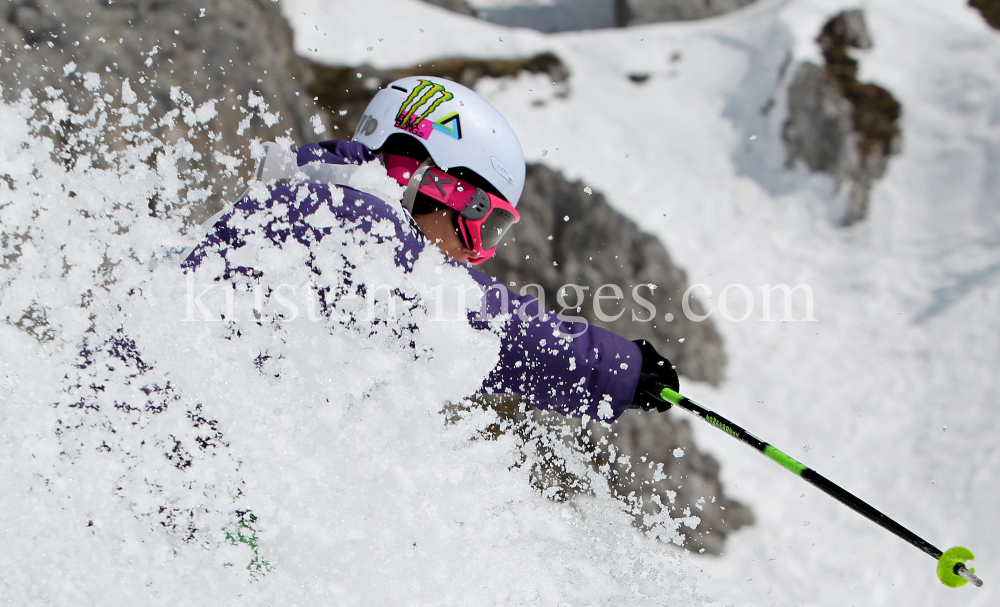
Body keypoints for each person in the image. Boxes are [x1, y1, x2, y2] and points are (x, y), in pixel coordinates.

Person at [183, 75, 678, 422]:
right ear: (433, 184)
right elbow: (480, 321)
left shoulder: (311, 204)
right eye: (481, 225)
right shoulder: (350, 220)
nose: (473, 254)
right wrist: (620, 369)